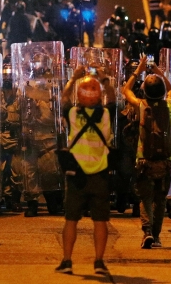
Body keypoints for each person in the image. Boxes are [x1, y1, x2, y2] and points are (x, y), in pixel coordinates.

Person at [55, 76, 112, 276]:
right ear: (99, 96)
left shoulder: (72, 113)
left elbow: (63, 99)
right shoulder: (106, 114)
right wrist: (105, 80)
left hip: (76, 174)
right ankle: (98, 262)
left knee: (71, 220)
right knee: (100, 221)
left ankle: (67, 261)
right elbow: (112, 98)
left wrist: (73, 79)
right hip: (100, 174)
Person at [122, 60, 171, 249]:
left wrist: (139, 70)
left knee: (146, 199)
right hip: (164, 162)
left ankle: (147, 232)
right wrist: (158, 71)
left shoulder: (141, 106)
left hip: (144, 161)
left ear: (144, 91)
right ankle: (157, 236)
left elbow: (125, 90)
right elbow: (170, 90)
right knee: (160, 201)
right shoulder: (169, 106)